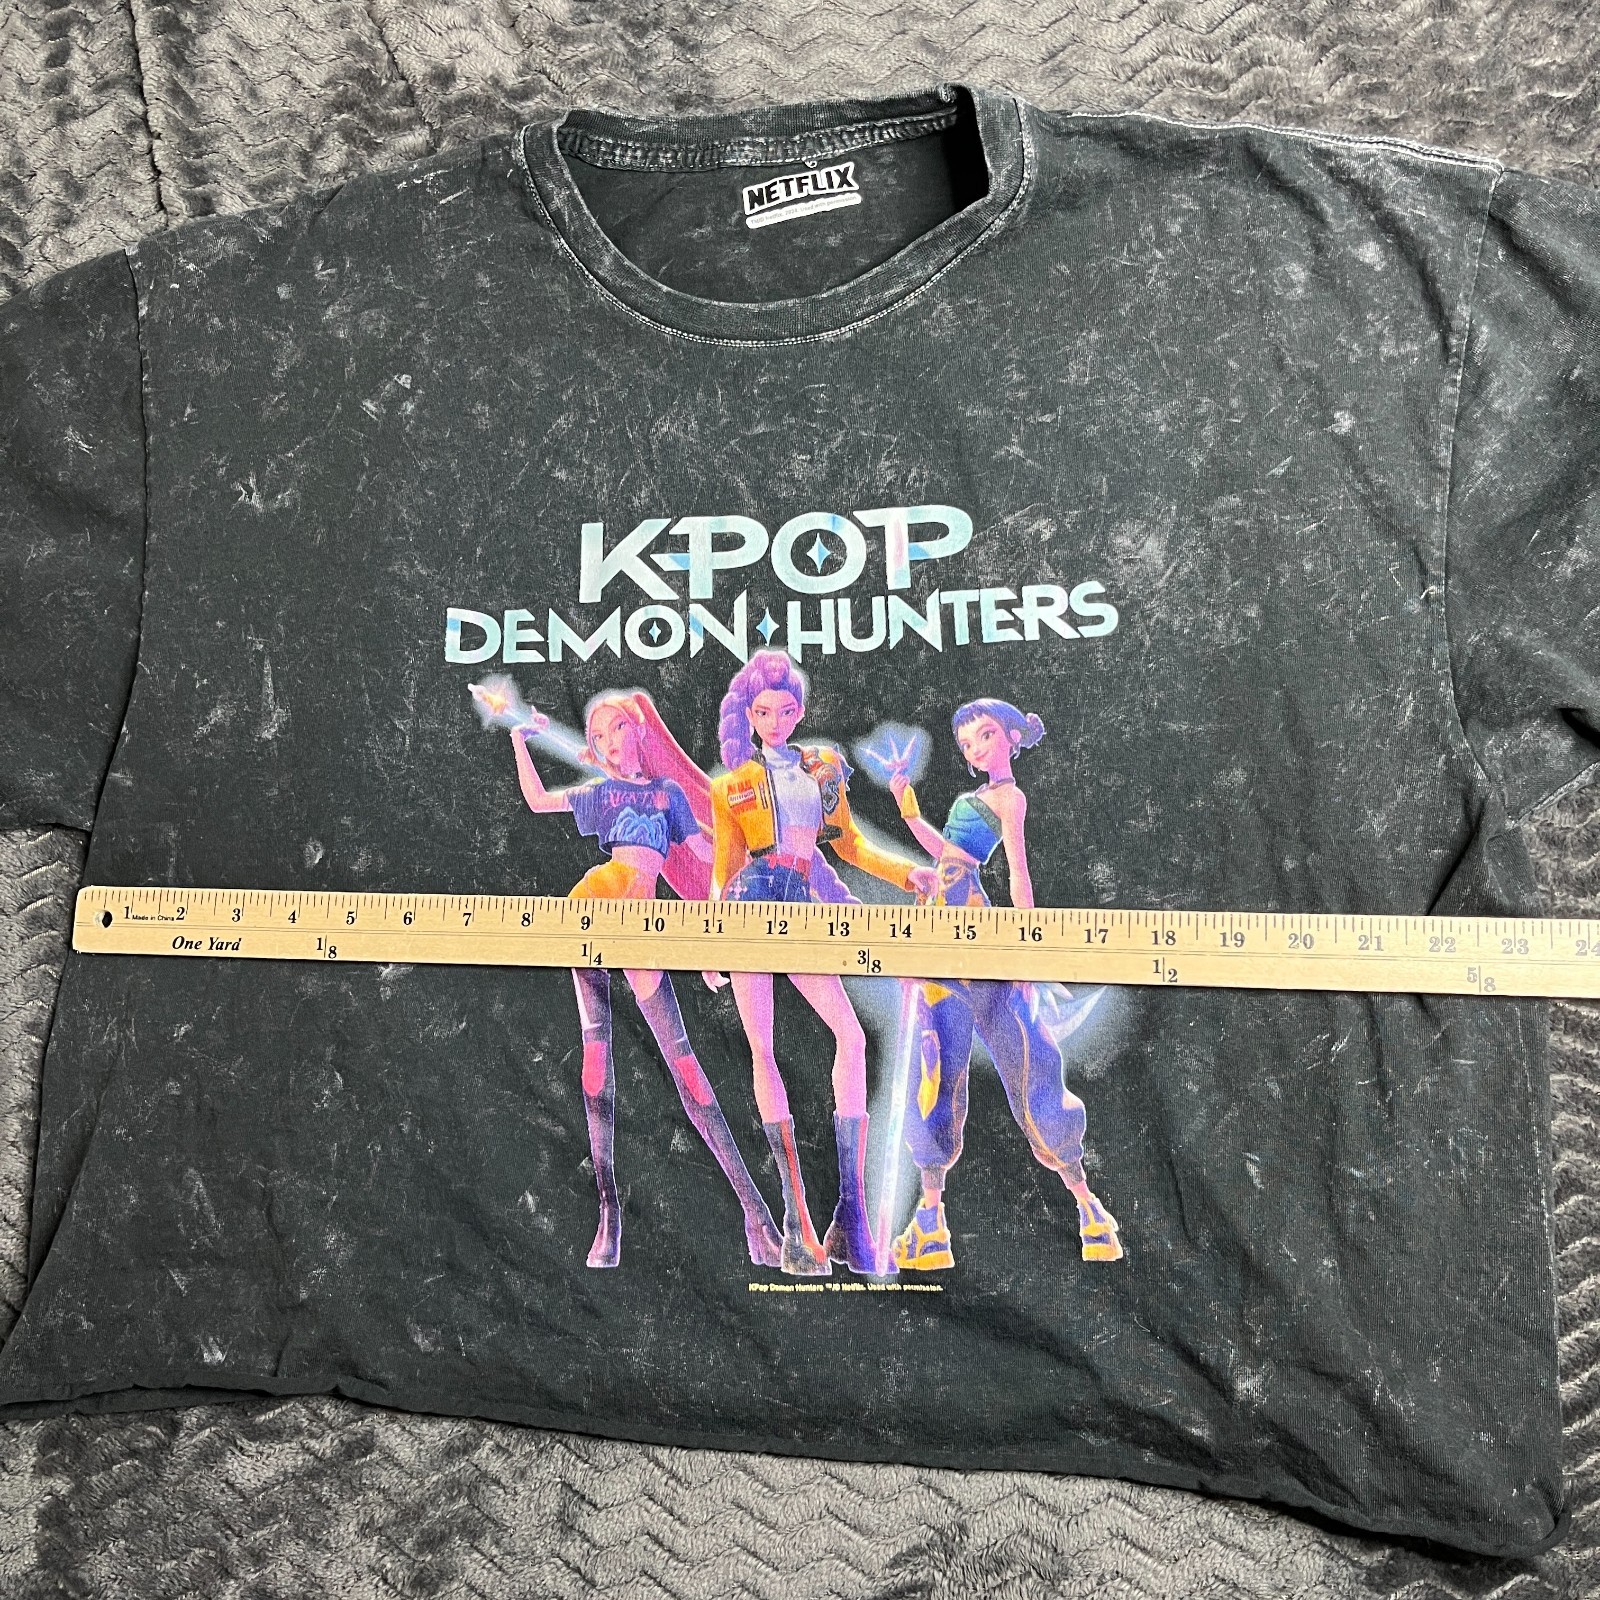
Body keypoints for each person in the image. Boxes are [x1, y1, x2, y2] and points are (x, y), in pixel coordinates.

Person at [483, 683, 783, 1271]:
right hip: (595, 905)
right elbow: (539, 802)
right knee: (597, 1061)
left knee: (688, 1070)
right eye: (599, 736)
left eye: (618, 727)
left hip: (643, 923)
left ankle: (756, 1216)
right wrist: (520, 740)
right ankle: (608, 1214)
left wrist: (749, 839)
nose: (611, 741)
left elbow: (708, 855)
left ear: (638, 731)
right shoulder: (603, 793)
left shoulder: (668, 794)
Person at [708, 650, 938, 1277]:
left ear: (799, 712)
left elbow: (850, 844)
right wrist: (709, 941)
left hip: (803, 900)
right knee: (762, 1047)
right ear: (749, 716)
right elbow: (723, 870)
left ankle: (850, 1215)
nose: (774, 721)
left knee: (851, 1036)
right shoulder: (731, 786)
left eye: (784, 711)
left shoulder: (822, 766)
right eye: (763, 712)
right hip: (750, 903)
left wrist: (907, 872)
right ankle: (796, 1221)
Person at [886, 698, 1123, 1269]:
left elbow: (1018, 874)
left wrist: (1025, 945)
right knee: (935, 1066)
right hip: (940, 928)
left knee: (1023, 1060)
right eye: (968, 743)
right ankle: (931, 1220)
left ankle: (1088, 1206)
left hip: (969, 929)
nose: (976, 749)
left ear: (1012, 737)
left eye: (986, 735)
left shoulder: (1009, 798)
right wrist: (908, 810)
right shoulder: (981, 798)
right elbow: (948, 856)